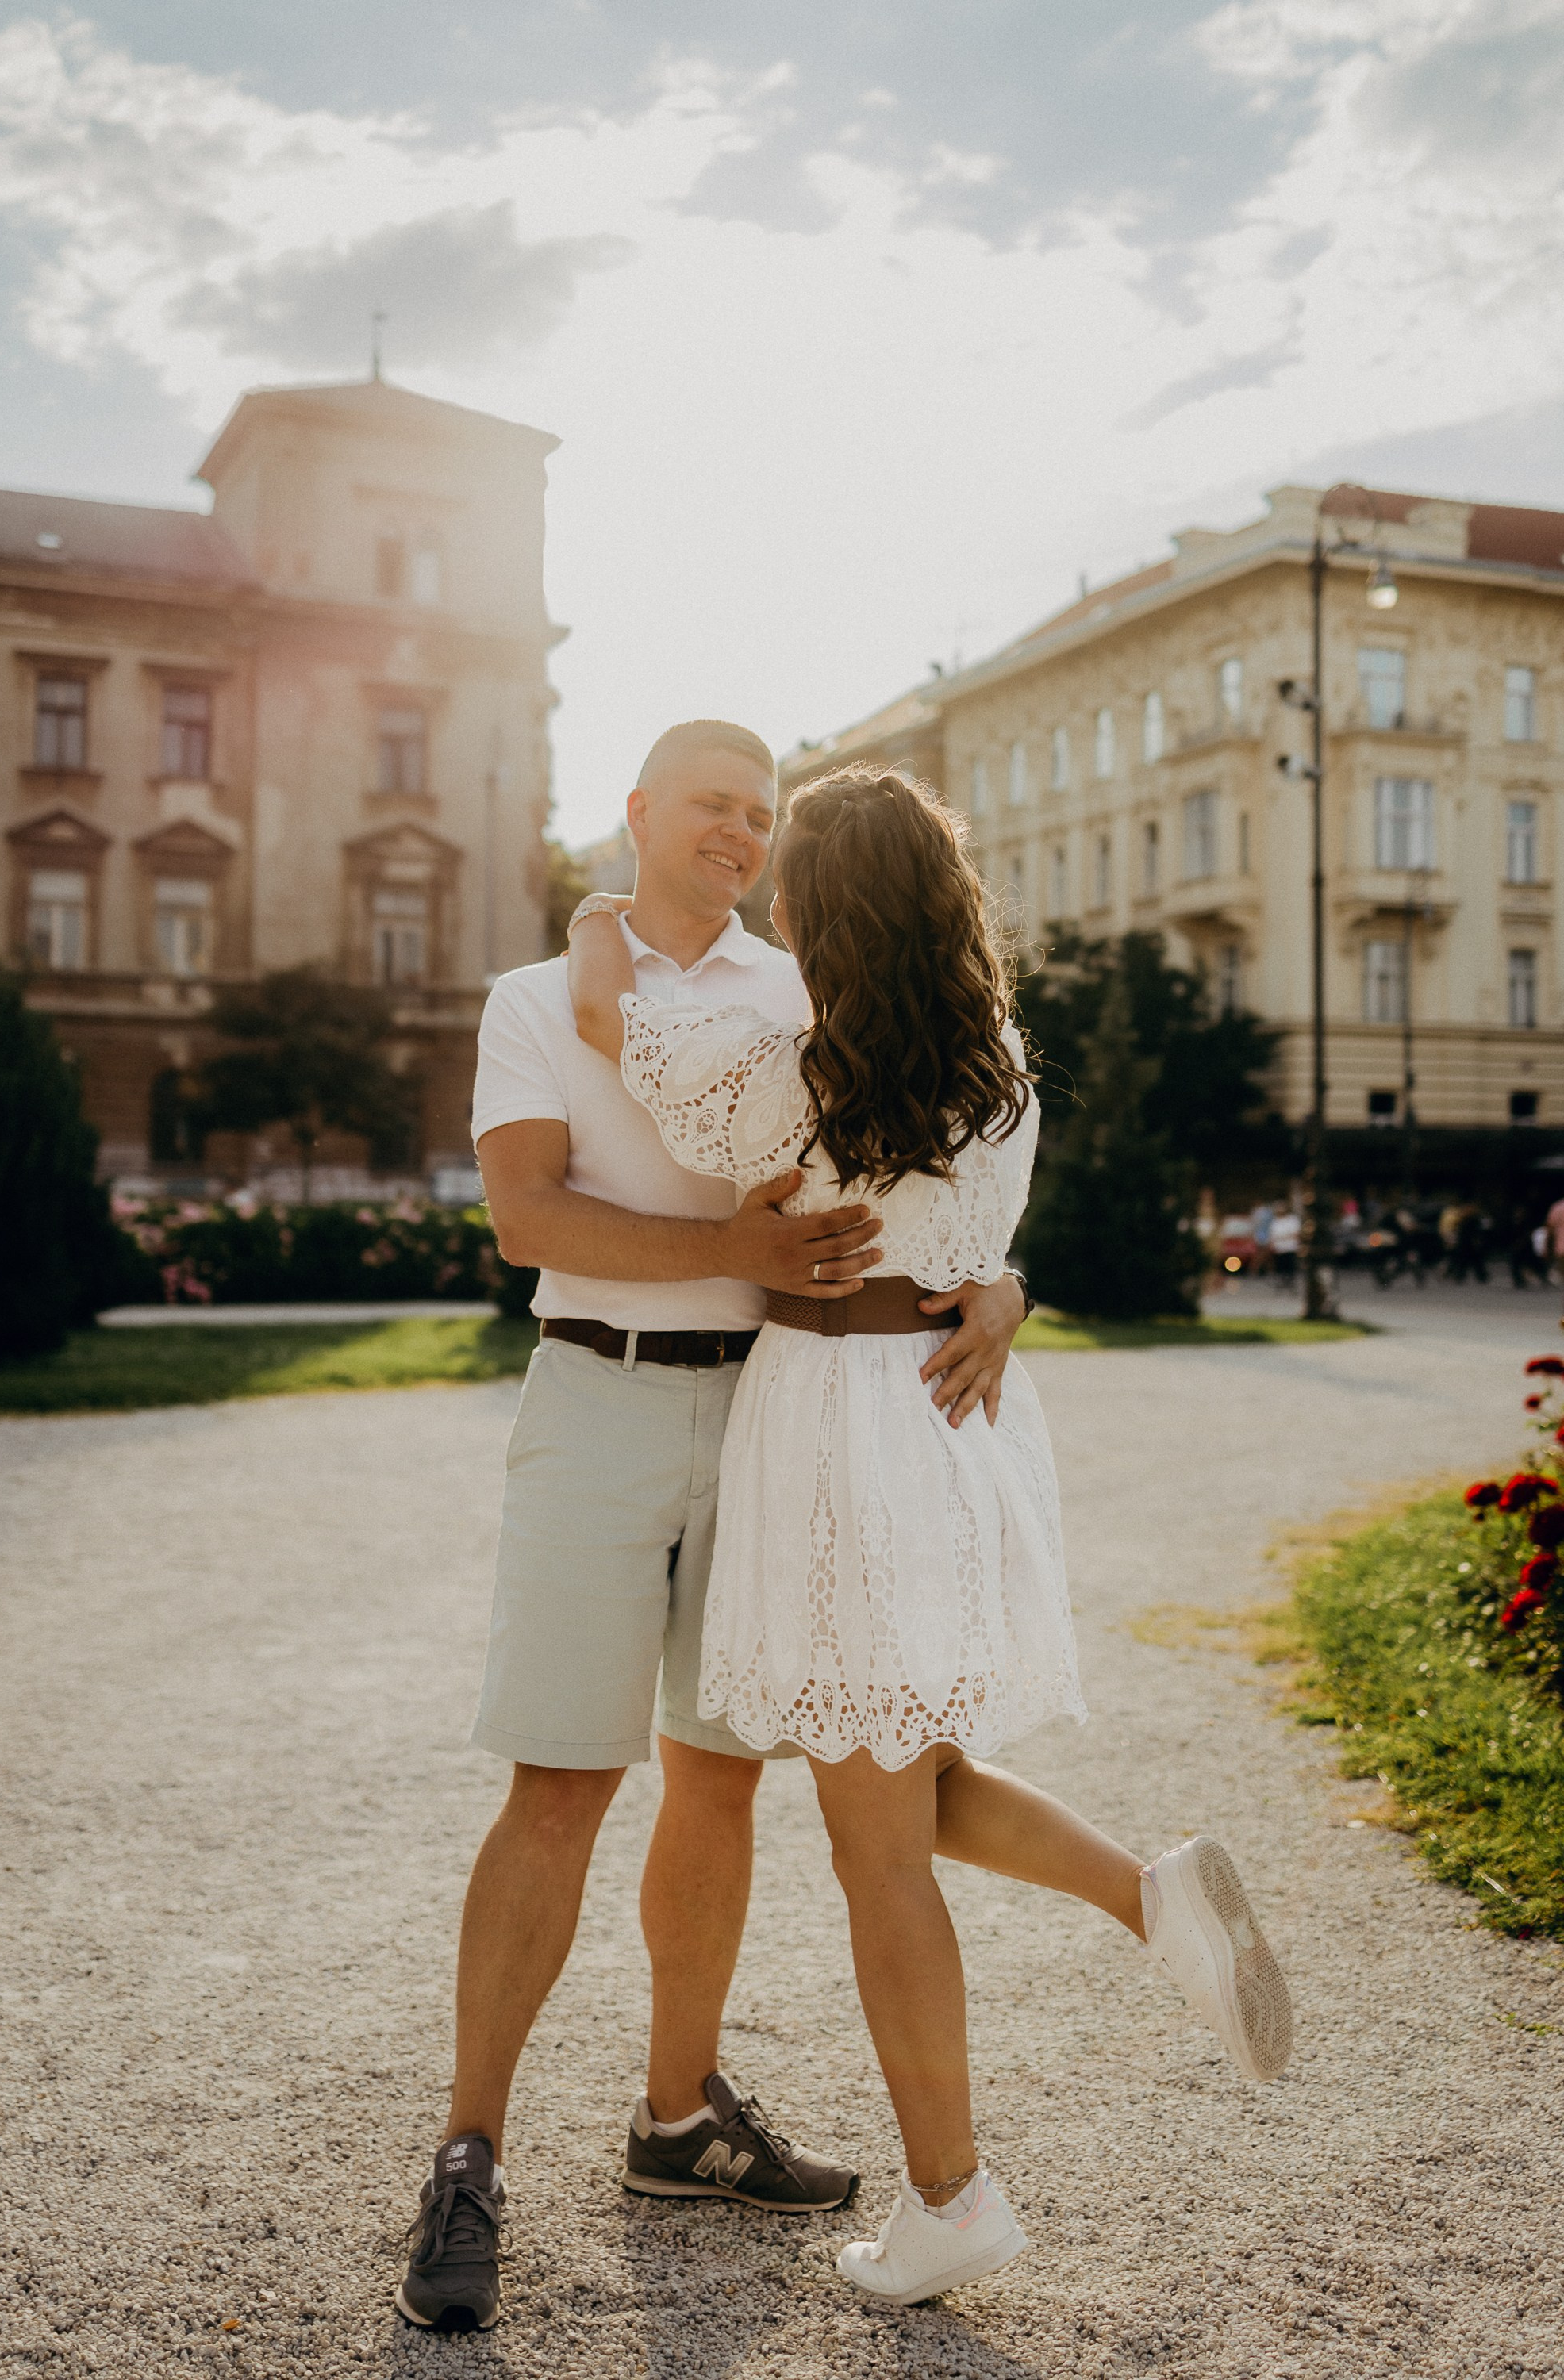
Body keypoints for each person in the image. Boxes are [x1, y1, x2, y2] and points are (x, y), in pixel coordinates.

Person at [567, 766, 1292, 2307]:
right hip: (951, 1430)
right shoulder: (1003, 1067)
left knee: (874, 1847)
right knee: (916, 1775)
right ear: (946, 900)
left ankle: (952, 2193)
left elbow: (612, 1033)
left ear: (818, 913)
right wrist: (1009, 1290)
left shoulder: (789, 1069)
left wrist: (592, 922)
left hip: (834, 1428)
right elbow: (980, 1255)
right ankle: (1149, 1899)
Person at [395, 723, 1029, 2332]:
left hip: (771, 1420)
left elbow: (919, 1163)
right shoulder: (537, 999)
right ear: (635, 814)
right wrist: (746, 1253)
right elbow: (527, 1214)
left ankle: (677, 2117)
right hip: (599, 1399)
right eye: (712, 806)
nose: (741, 833)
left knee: (724, 1774)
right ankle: (468, 2148)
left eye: (764, 814)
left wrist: (1000, 1285)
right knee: (557, 1780)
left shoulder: (802, 999)